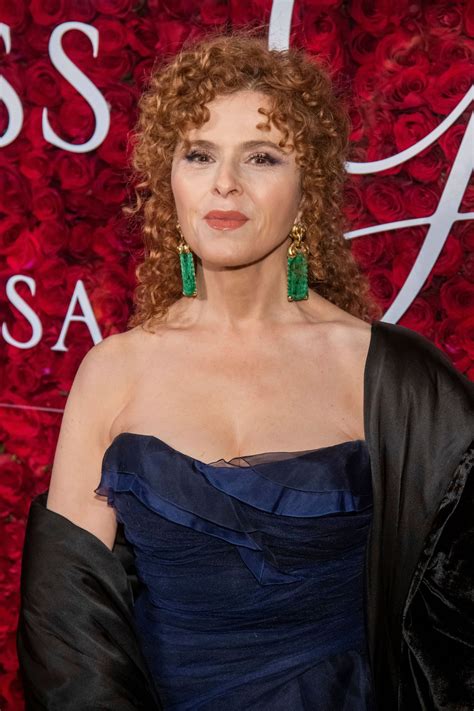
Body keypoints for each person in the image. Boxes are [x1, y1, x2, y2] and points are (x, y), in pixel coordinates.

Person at [16, 32, 473, 711]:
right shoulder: (114, 371)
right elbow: (68, 635)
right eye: (199, 154)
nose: (223, 183)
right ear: (168, 177)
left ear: (308, 186)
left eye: (261, 156)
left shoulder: (395, 378)